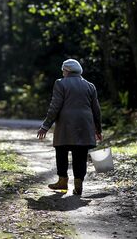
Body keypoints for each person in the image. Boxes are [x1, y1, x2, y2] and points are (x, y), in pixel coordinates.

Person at [37, 58, 102, 195]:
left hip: (66, 124)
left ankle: (63, 181)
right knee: (81, 153)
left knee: (61, 150)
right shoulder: (90, 86)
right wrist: (98, 129)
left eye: (63, 71)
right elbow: (96, 110)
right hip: (85, 123)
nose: (62, 73)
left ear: (67, 70)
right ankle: (78, 183)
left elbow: (55, 106)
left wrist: (45, 126)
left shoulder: (61, 83)